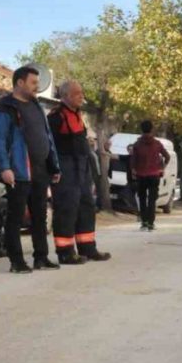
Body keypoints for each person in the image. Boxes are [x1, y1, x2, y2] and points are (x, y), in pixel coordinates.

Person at [0, 66, 62, 274]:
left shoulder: (35, 105)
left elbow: (47, 136)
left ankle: (41, 257)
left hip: (41, 169)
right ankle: (17, 261)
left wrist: (53, 164)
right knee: (15, 217)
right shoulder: (5, 108)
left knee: (40, 216)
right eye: (33, 83)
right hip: (19, 170)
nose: (37, 87)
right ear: (20, 83)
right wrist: (5, 167)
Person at [48, 81, 111, 264]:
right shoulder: (56, 116)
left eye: (81, 93)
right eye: (77, 94)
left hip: (82, 167)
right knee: (67, 208)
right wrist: (54, 168)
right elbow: (49, 145)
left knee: (86, 207)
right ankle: (65, 252)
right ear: (66, 96)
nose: (81, 96)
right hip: (65, 167)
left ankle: (88, 248)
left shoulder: (77, 114)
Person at [129, 120, 169, 231]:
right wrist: (162, 168)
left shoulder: (137, 144)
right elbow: (167, 156)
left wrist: (134, 170)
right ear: (152, 129)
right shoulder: (157, 143)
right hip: (154, 175)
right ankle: (151, 223)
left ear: (141, 130)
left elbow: (133, 160)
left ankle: (144, 223)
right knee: (152, 200)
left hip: (141, 175)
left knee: (142, 199)